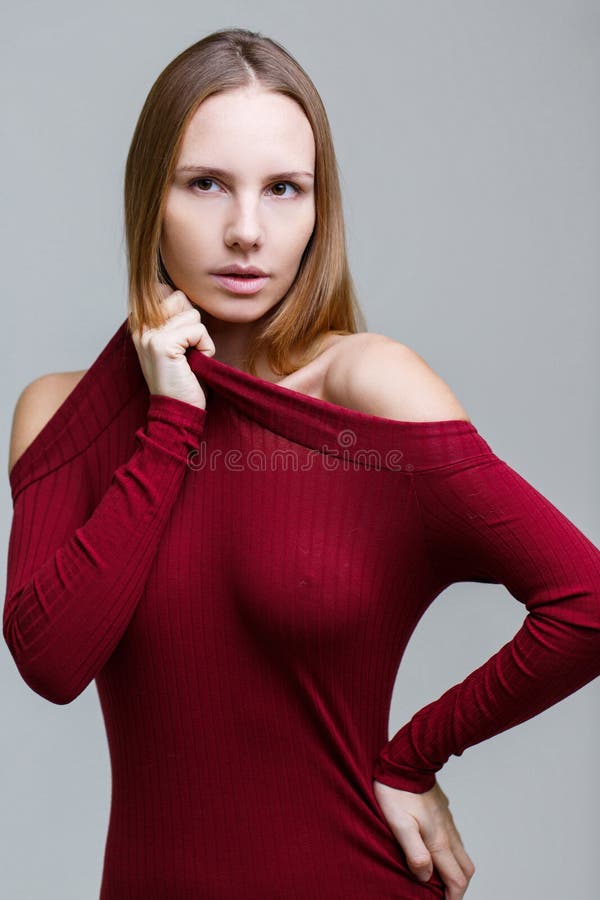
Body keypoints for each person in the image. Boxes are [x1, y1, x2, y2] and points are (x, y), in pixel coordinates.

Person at [4, 26, 600, 900]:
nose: (247, 231)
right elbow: (51, 661)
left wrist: (413, 758)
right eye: (206, 184)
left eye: (284, 189)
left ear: (320, 211)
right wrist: (172, 418)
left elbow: (584, 600)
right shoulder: (61, 412)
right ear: (149, 199)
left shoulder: (368, 390)